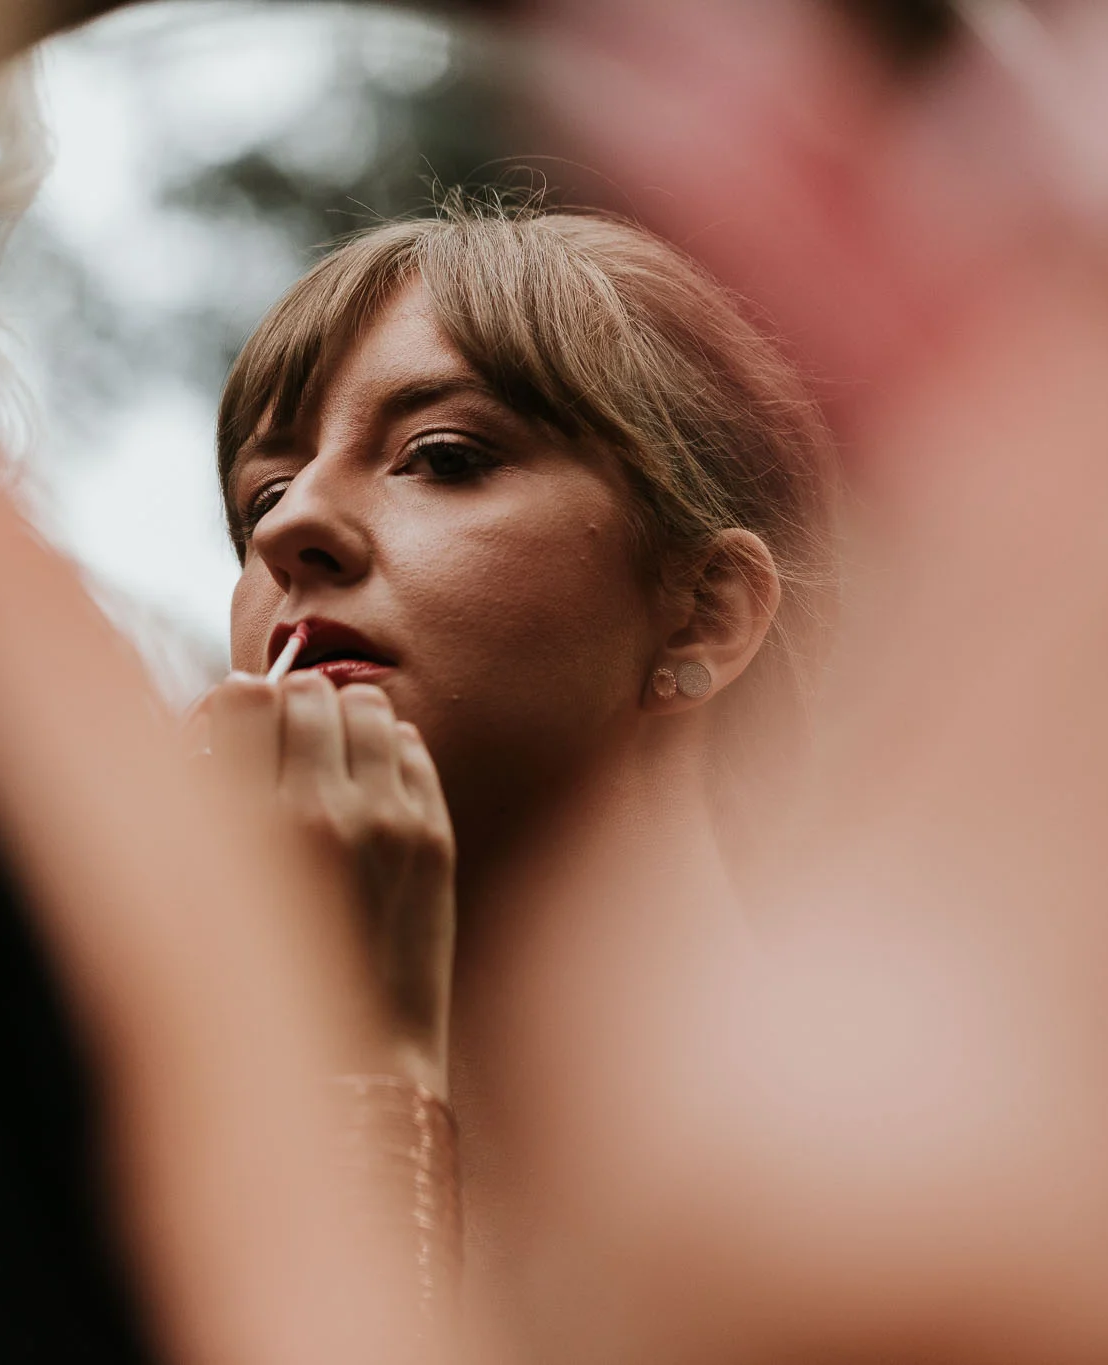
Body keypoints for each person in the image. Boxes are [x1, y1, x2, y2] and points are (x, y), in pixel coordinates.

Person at [190, 202, 838, 1328]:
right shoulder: (142, 1192)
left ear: (704, 614)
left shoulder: (908, 1180)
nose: (293, 529)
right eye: (261, 492)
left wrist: (365, 1091)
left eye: (440, 458)